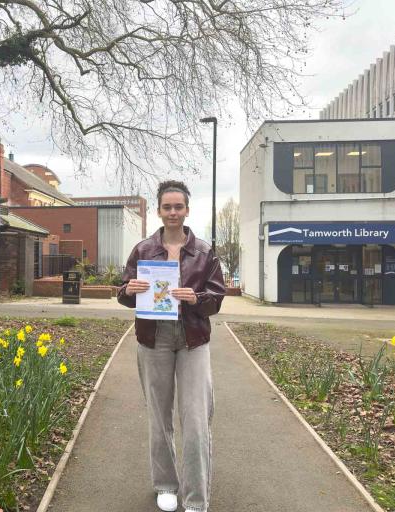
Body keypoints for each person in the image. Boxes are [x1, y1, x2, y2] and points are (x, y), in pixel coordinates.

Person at [117, 180, 226, 512]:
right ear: (159, 211)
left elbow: (217, 299)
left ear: (187, 210)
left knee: (196, 419)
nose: (173, 212)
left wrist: (197, 298)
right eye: (167, 207)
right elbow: (123, 293)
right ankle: (165, 484)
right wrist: (129, 290)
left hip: (193, 339)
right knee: (159, 415)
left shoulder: (205, 252)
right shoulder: (143, 250)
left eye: (178, 207)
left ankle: (196, 498)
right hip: (154, 339)